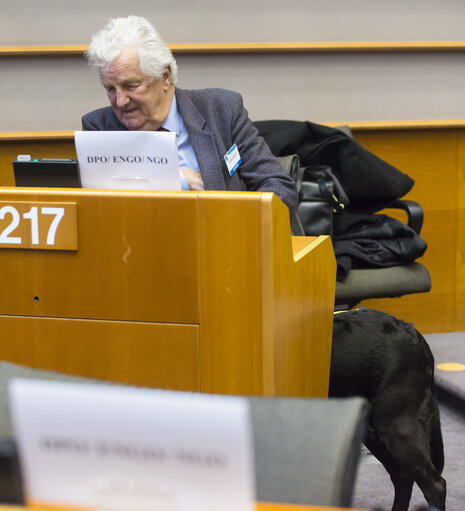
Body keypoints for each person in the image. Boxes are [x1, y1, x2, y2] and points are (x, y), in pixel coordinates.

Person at [82, 15, 297, 215]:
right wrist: (179, 180)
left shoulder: (221, 110)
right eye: (110, 89)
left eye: (131, 86)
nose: (120, 101)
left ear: (165, 76)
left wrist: (234, 227)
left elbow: (278, 186)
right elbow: (105, 205)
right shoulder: (100, 127)